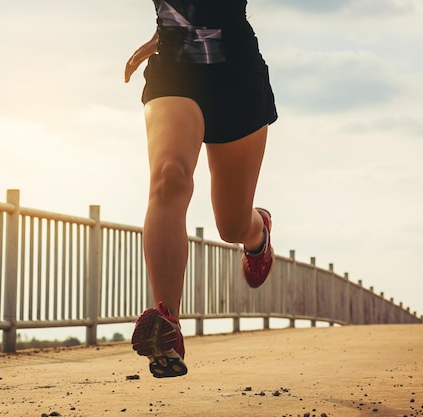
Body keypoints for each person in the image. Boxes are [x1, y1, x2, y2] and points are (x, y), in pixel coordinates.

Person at [124, 0, 277, 378]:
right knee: (169, 176)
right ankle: (167, 324)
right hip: (173, 73)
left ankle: (257, 232)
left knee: (231, 225)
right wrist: (159, 34)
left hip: (237, 76)